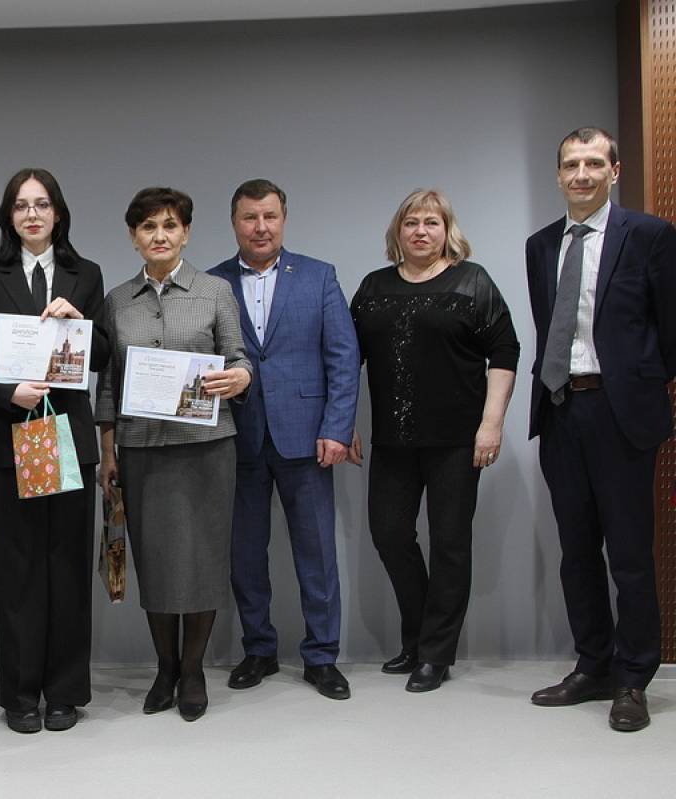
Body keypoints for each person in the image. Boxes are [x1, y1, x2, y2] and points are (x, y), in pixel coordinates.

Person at [525, 127, 675, 732]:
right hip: (562, 409)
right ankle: (594, 666)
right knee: (577, 551)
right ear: (558, 174)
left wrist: (635, 384)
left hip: (621, 414)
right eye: (571, 164)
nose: (581, 174)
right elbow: (548, 325)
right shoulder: (541, 245)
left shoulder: (650, 236)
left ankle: (633, 679)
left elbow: (670, 330)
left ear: (615, 171)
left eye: (593, 163)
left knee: (630, 555)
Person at [0, 168, 108, 734]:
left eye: (42, 204)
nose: (32, 215)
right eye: (21, 206)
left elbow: (103, 356)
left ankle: (65, 692)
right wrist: (8, 393)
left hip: (68, 435)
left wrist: (81, 324)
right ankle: (20, 696)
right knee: (19, 569)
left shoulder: (85, 274)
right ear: (9, 216)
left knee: (67, 567)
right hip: (12, 435)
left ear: (58, 213)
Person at [349, 188, 518, 692]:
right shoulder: (374, 287)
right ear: (397, 232)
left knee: (450, 544)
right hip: (393, 440)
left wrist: (491, 423)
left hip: (457, 441)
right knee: (390, 535)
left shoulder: (472, 281)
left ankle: (435, 654)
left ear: (447, 230)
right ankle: (419, 638)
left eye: (431, 223)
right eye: (411, 223)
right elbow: (346, 357)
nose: (420, 231)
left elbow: (505, 351)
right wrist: (341, 421)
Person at [96, 187, 252, 721]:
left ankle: (193, 670)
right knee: (156, 563)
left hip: (207, 448)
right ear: (133, 237)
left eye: (169, 226)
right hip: (141, 449)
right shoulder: (118, 301)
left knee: (203, 561)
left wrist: (240, 377)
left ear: (185, 233)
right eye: (148, 227)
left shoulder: (215, 292)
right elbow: (108, 383)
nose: (159, 236)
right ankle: (164, 668)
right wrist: (108, 450)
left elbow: (238, 357)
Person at [207, 179, 360, 700]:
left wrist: (337, 427)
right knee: (246, 554)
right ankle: (259, 650)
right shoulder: (212, 284)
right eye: (250, 217)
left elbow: (343, 357)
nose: (260, 227)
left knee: (317, 553)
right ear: (234, 223)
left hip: (308, 438)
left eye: (269, 216)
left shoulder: (319, 277)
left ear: (284, 219)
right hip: (237, 438)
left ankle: (322, 656)